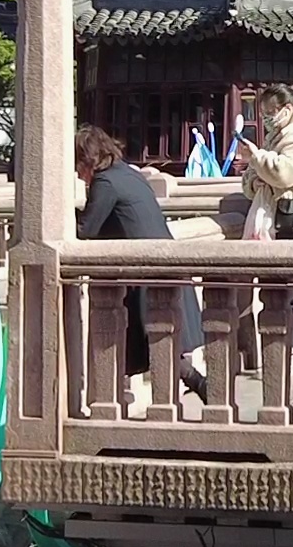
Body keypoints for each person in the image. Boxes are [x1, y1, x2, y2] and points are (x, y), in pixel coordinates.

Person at [76, 126, 207, 402]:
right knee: (159, 344)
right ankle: (196, 385)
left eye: (79, 166)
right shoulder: (129, 173)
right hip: (164, 265)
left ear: (88, 160)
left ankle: (198, 386)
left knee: (151, 343)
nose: (78, 174)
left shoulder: (105, 182)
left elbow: (85, 229)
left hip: (146, 274)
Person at [240, 83, 293, 345]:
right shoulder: (276, 136)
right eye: (263, 113)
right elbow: (252, 177)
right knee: (277, 288)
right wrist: (256, 175)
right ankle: (282, 341)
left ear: (287, 109)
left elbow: (284, 173)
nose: (266, 118)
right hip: (279, 222)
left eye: (270, 112)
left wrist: (257, 159)